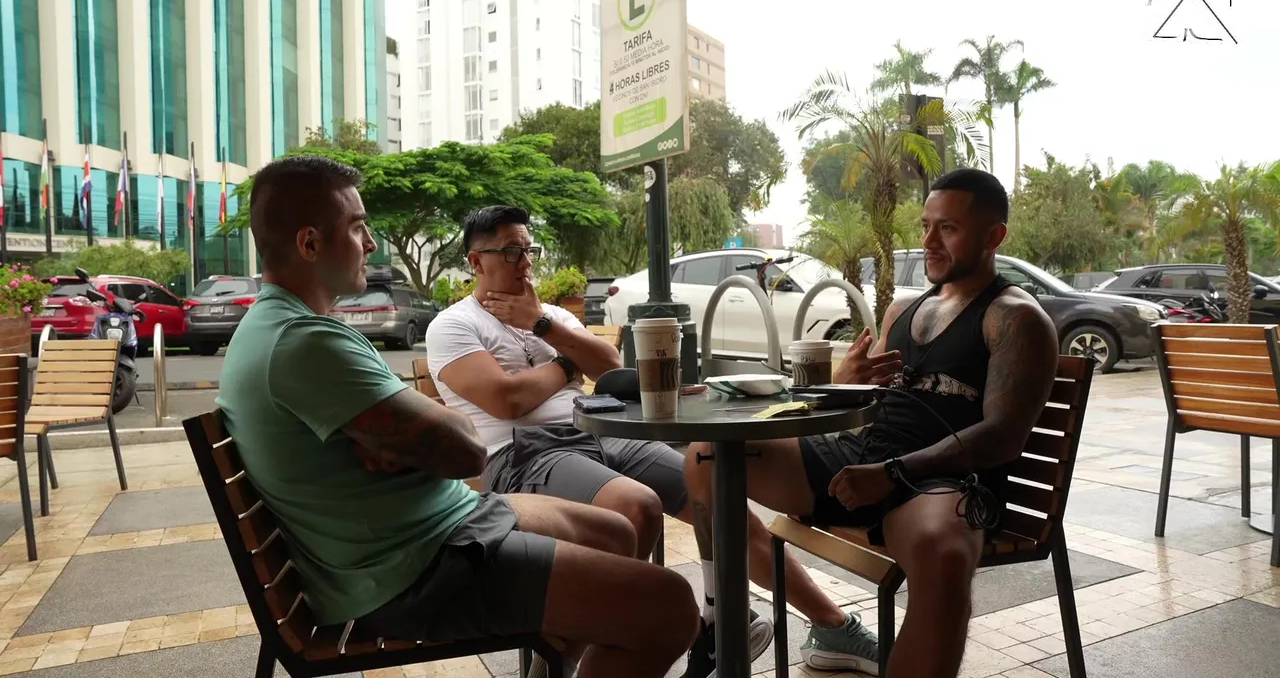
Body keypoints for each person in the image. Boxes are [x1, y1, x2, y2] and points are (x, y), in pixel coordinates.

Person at [216, 156, 701, 678]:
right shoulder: (303, 342)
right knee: (670, 608)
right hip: (414, 566)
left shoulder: (283, 328)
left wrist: (410, 438)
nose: (371, 243)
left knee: (615, 532)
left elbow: (449, 436)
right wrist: (424, 434)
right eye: (357, 228)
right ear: (309, 244)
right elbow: (466, 451)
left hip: (436, 526)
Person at [432, 205, 842, 677]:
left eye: (528, 250)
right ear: (475, 261)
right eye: (510, 251)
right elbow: (508, 400)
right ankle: (561, 660)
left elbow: (611, 368)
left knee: (717, 491)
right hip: (523, 453)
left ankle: (821, 625)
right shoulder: (454, 324)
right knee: (636, 506)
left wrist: (543, 326)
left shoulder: (551, 317)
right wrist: (567, 362)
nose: (525, 262)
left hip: (602, 430)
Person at [684, 168, 1060, 677]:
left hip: (939, 482)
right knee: (706, 457)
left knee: (943, 550)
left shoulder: (1013, 317)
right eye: (926, 225)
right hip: (865, 459)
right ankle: (734, 617)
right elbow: (858, 403)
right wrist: (844, 381)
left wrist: (893, 473)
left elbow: (1003, 435)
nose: (928, 241)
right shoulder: (903, 310)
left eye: (948, 228)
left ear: (994, 236)